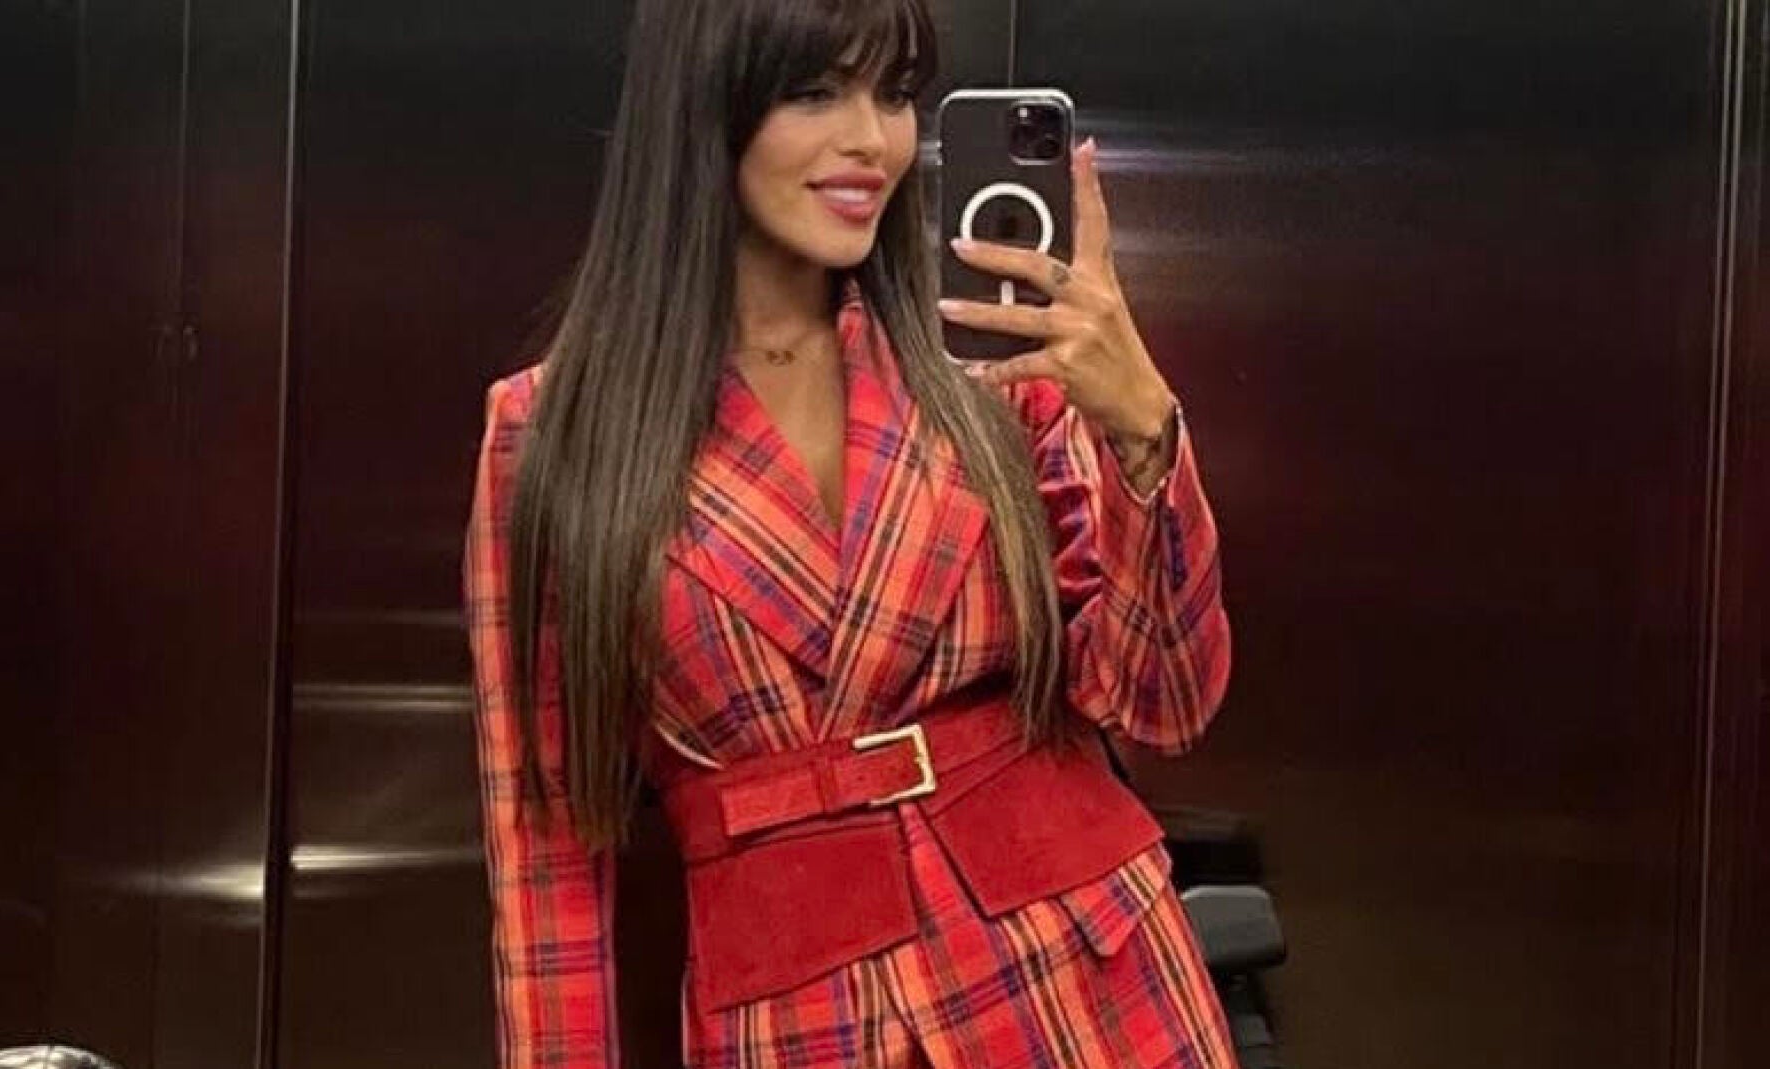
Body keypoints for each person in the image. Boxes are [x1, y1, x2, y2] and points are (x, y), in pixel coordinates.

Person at [462, 0, 1235, 1065]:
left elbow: (1163, 704)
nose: (872, 140)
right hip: (804, 1023)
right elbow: (545, 853)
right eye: (816, 91)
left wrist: (1143, 429)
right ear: (705, 108)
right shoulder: (554, 431)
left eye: (895, 93)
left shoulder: (987, 363)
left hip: (1092, 985)